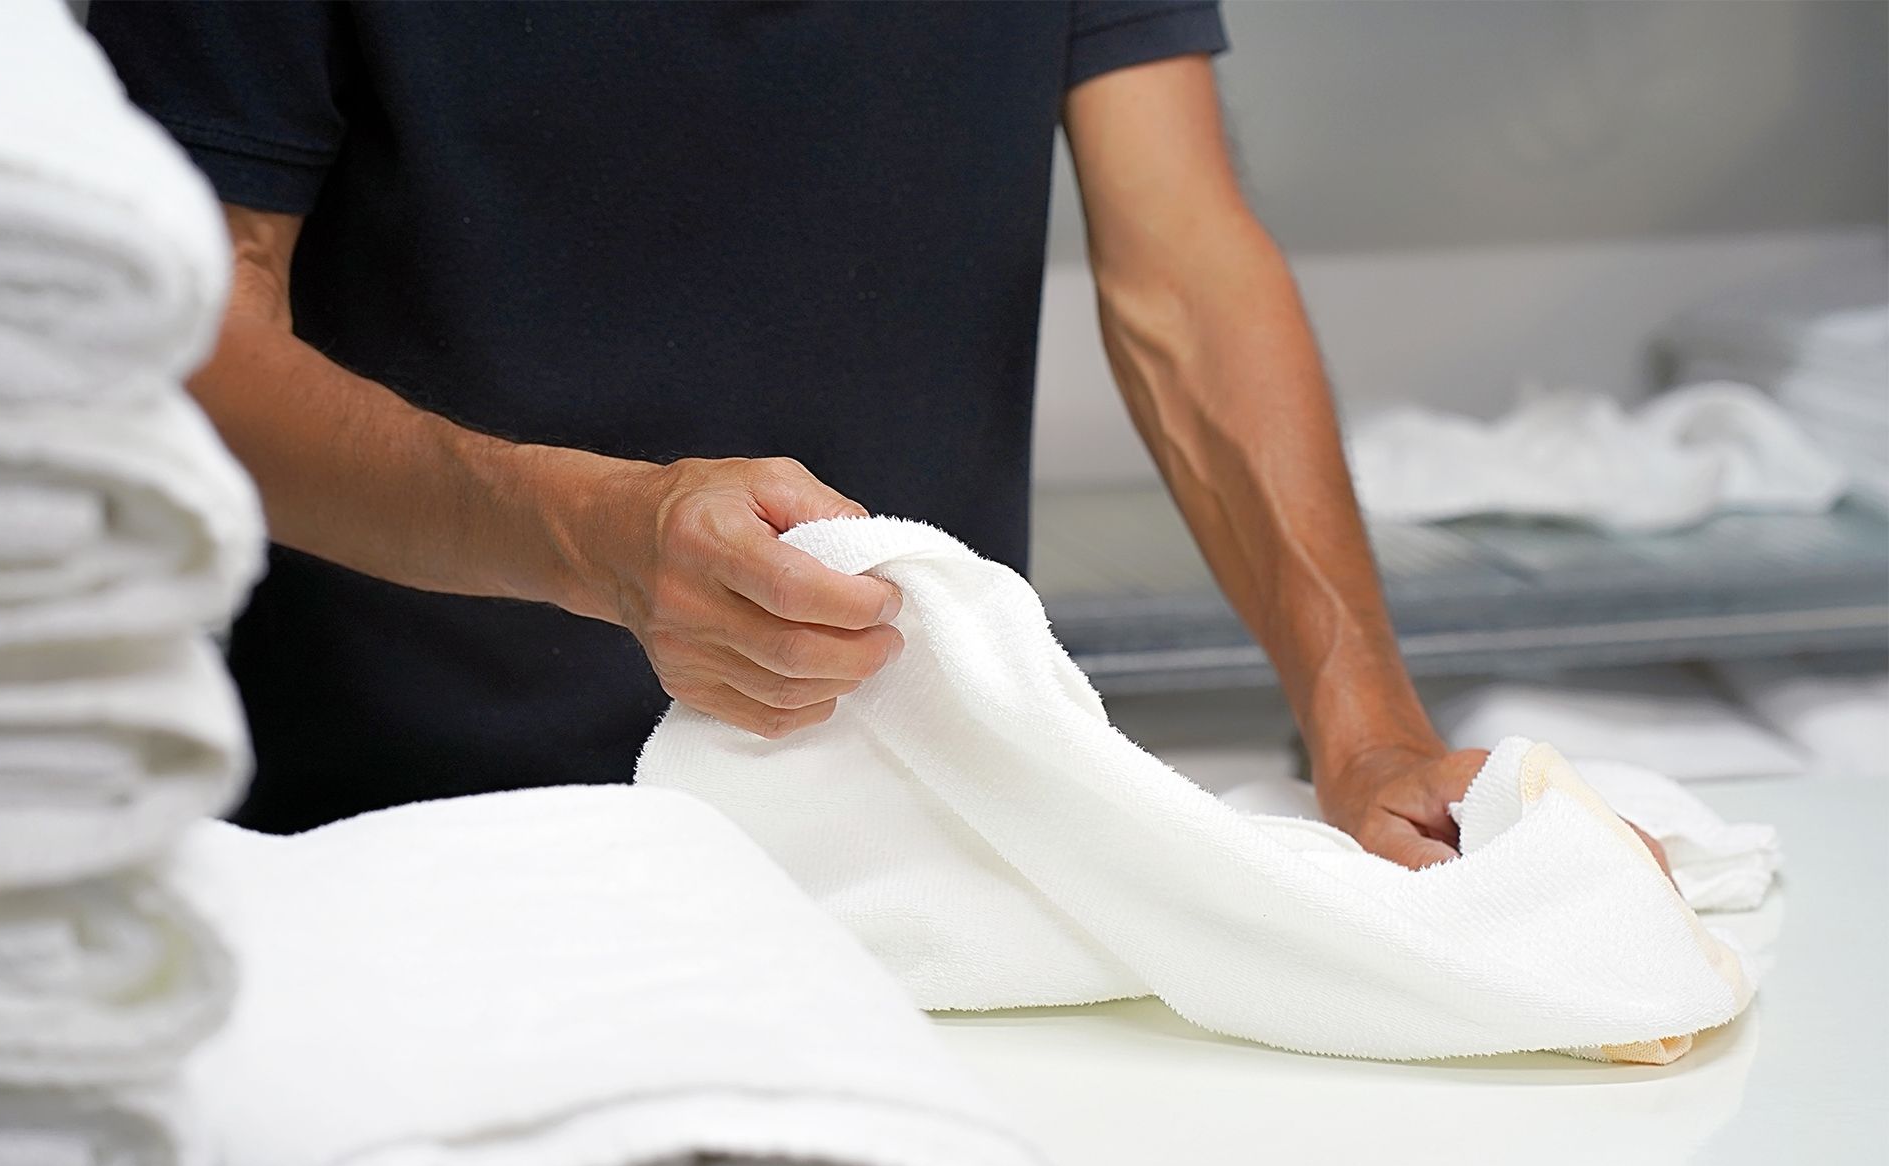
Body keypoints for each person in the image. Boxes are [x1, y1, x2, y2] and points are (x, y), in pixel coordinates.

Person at [86, 1, 1494, 869]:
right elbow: (191, 346)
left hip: (914, 811)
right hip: (405, 835)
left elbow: (1183, 269)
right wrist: (594, 540)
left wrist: (1364, 723)